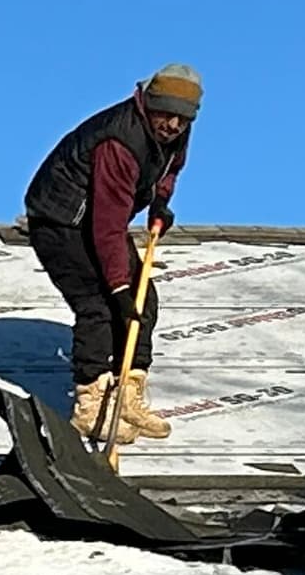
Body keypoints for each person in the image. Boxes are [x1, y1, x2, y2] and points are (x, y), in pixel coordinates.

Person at [21, 64, 201, 445]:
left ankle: (127, 392)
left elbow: (169, 169)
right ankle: (90, 406)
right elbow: (108, 226)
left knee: (143, 301)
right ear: (148, 104)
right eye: (164, 114)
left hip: (99, 218)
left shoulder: (177, 130)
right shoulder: (119, 142)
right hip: (60, 220)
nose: (171, 125)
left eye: (181, 119)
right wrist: (118, 287)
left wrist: (159, 204)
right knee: (99, 304)